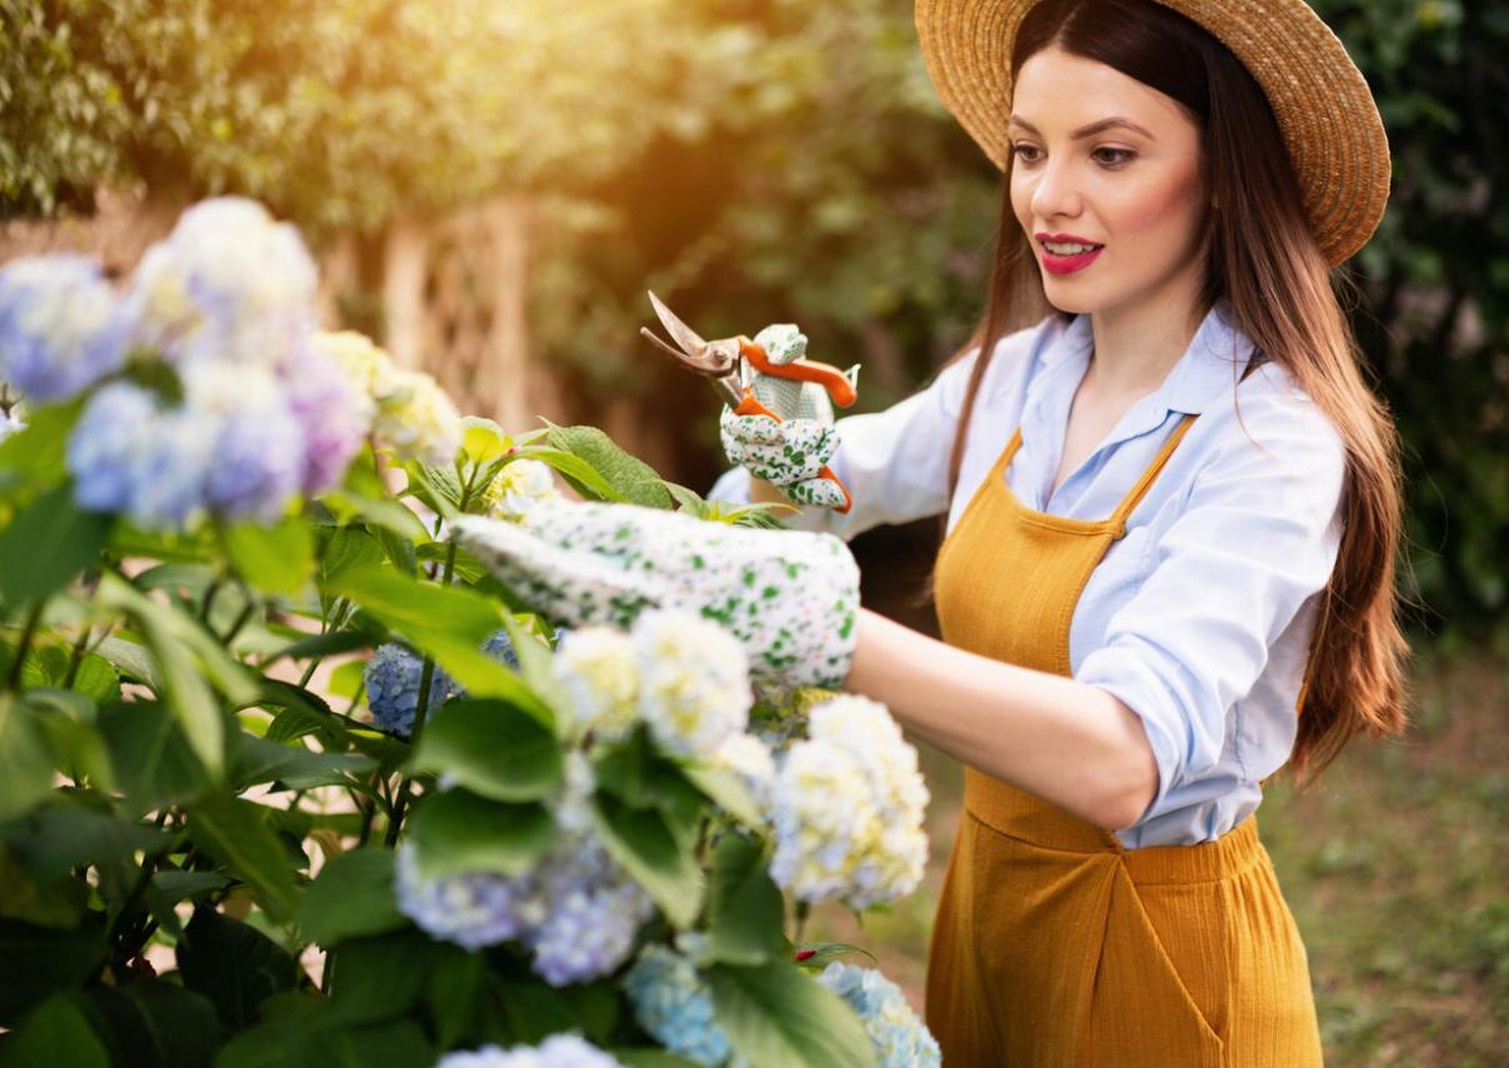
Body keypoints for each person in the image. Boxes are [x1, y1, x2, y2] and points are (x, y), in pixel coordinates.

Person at [448, 0, 1411, 1063]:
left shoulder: (1268, 442)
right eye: (1029, 150)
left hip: (1165, 966)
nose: (1048, 196)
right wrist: (774, 446)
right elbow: (824, 485)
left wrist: (826, 629)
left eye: (1110, 154)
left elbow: (1122, 762)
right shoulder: (1021, 377)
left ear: (1224, 172)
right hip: (989, 924)